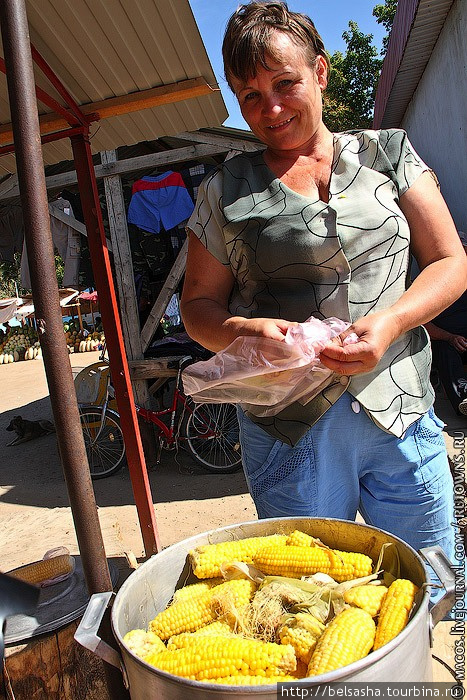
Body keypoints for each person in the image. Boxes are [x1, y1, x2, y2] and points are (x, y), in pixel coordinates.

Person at [180, 2, 467, 569]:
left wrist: (389, 323)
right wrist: (245, 331)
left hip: (401, 411)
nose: (272, 108)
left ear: (321, 72)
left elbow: (450, 261)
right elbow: (197, 306)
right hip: (290, 431)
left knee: (434, 584)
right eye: (251, 96)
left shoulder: (389, 155)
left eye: (286, 83)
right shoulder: (224, 190)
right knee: (317, 602)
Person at [424, 231, 467, 416]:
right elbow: (421, 323)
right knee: (443, 350)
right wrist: (450, 338)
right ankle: (464, 400)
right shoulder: (430, 283)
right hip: (446, 339)